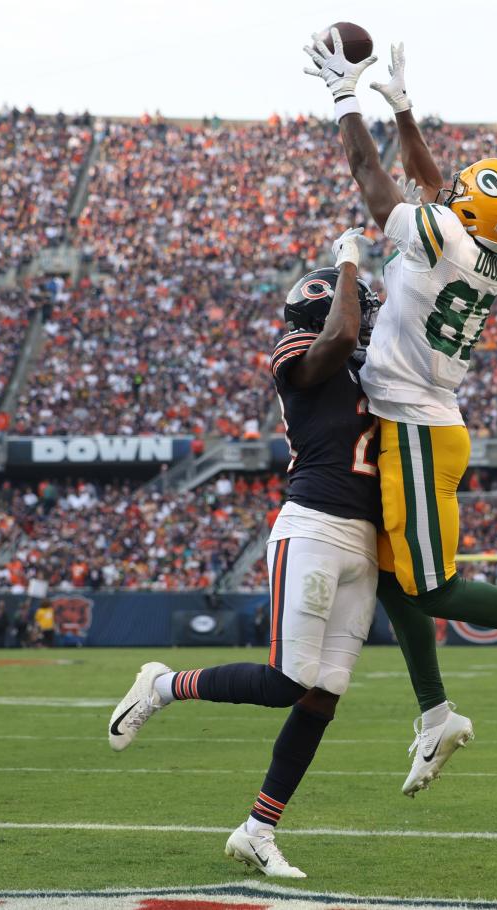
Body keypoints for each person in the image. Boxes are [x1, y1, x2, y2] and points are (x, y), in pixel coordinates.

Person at [304, 30, 497, 793]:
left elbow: (369, 173)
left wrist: (345, 94)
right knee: (391, 576)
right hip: (419, 419)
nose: (457, 192)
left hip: (415, 427)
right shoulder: (480, 249)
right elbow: (438, 195)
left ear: (478, 212)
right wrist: (407, 114)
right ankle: (434, 714)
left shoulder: (446, 238)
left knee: (432, 588)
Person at [109, 226, 381, 878]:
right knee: (288, 681)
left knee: (325, 695)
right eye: (356, 304)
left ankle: (259, 828)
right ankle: (164, 684)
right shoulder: (303, 350)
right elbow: (340, 335)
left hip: (366, 540)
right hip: (314, 524)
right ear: (321, 311)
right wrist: (349, 262)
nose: (365, 316)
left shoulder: (365, 362)